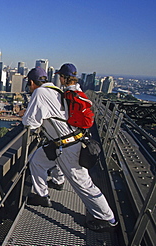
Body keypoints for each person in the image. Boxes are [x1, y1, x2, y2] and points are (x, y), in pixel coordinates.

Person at [22, 65, 117, 231]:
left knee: (83, 184)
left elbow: (30, 122)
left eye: (28, 84)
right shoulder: (56, 90)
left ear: (31, 82)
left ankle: (107, 218)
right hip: (65, 142)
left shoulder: (39, 93)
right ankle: (41, 195)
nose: (28, 88)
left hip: (68, 147)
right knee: (36, 160)